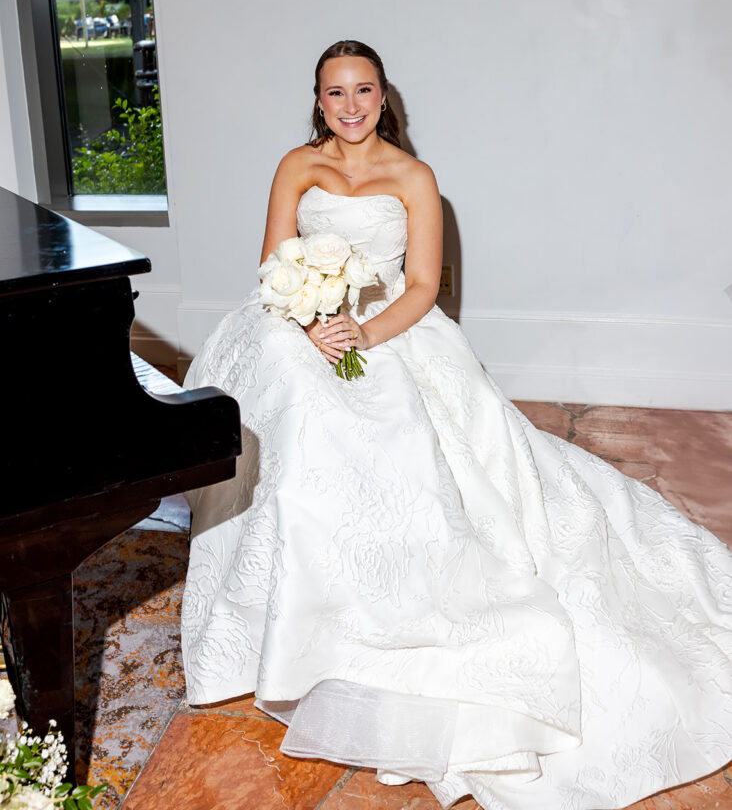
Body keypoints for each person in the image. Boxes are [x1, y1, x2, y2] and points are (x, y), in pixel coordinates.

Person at [181, 39, 732, 810]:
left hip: (387, 329)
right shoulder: (295, 166)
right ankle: (288, 609)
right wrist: (308, 320)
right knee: (292, 401)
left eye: (363, 91)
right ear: (317, 100)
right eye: (334, 93)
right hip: (297, 323)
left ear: (383, 96)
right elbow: (274, 262)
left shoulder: (414, 178)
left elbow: (419, 287)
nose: (349, 107)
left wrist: (363, 336)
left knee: (399, 433)